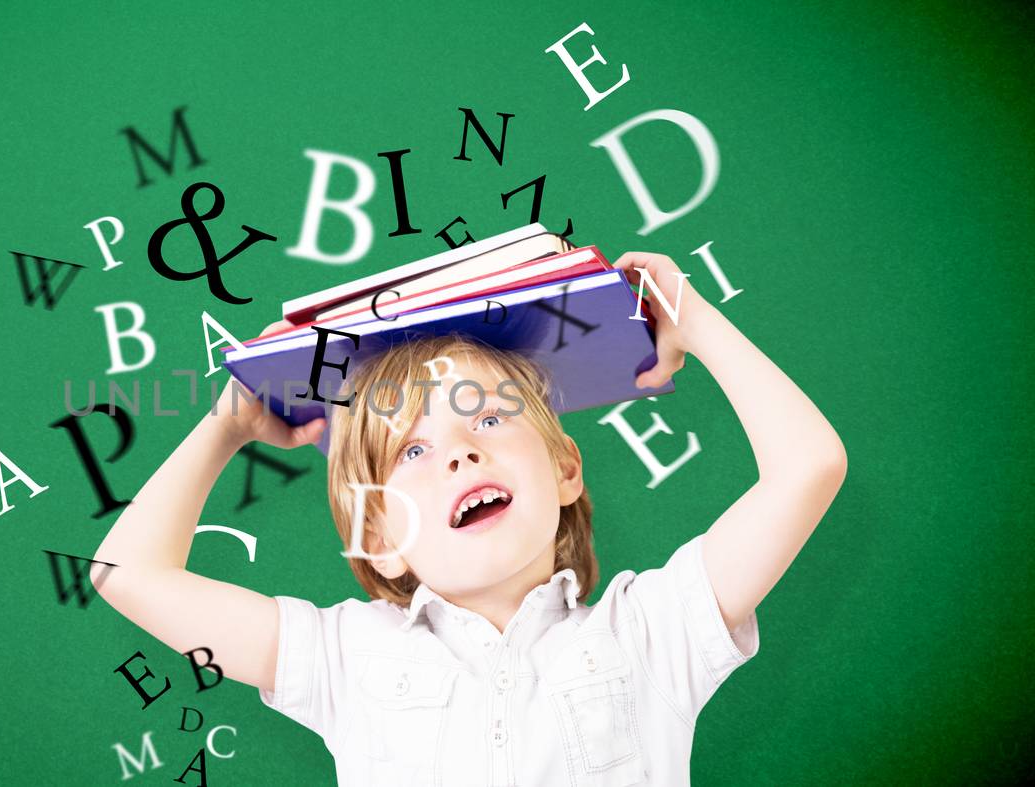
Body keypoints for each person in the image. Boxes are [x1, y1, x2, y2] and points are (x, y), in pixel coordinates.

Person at [94, 252, 847, 785]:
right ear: (380, 537)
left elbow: (808, 464)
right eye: (414, 448)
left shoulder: (649, 630)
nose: (457, 455)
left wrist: (688, 315)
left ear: (564, 470)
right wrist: (228, 422)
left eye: (488, 420)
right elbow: (128, 575)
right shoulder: (342, 658)